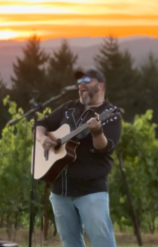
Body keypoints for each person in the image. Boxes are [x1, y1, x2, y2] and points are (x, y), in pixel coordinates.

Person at [35, 68, 122, 247]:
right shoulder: (69, 107)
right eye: (79, 82)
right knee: (70, 243)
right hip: (60, 191)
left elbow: (104, 148)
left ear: (100, 85)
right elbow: (41, 124)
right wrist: (43, 139)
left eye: (87, 80)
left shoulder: (110, 114)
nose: (81, 84)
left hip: (90, 191)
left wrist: (97, 131)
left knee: (102, 242)